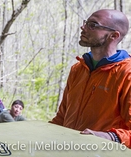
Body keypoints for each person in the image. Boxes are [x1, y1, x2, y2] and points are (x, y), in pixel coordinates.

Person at [50, 9, 131, 147]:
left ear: (113, 35)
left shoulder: (126, 74)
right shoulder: (78, 69)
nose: (83, 27)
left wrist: (110, 136)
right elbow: (62, 117)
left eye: (92, 25)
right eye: (86, 23)